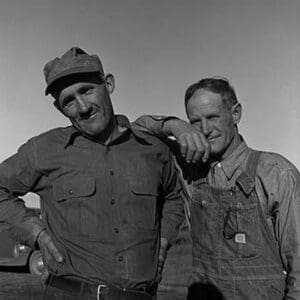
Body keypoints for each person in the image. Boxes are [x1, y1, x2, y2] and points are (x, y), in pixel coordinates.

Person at [0, 47, 185, 300]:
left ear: (108, 83)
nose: (82, 107)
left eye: (87, 90)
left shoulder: (153, 150)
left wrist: (163, 240)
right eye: (69, 100)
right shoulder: (43, 149)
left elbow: (173, 196)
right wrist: (37, 234)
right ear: (59, 108)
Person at [134, 77, 300, 299]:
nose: (205, 129)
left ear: (236, 113)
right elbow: (136, 130)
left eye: (212, 117)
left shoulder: (276, 172)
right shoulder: (190, 170)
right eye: (195, 121)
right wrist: (175, 125)